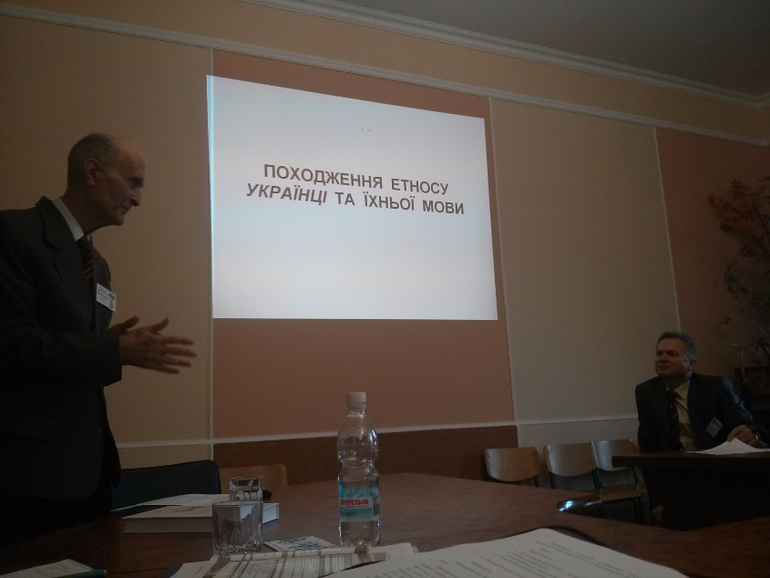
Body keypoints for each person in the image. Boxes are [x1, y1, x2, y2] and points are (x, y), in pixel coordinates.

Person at [0, 133, 197, 548]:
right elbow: (11, 343)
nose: (137, 199)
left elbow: (77, 365)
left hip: (89, 474)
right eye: (133, 182)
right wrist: (112, 349)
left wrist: (118, 354)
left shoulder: (98, 265)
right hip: (28, 478)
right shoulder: (13, 233)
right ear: (92, 172)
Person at [635, 330, 767, 523]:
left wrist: (752, 433)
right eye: (659, 353)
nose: (663, 358)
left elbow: (749, 424)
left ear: (691, 363)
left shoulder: (714, 387)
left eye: (672, 354)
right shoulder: (646, 392)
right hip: (677, 478)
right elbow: (649, 450)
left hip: (718, 474)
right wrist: (657, 500)